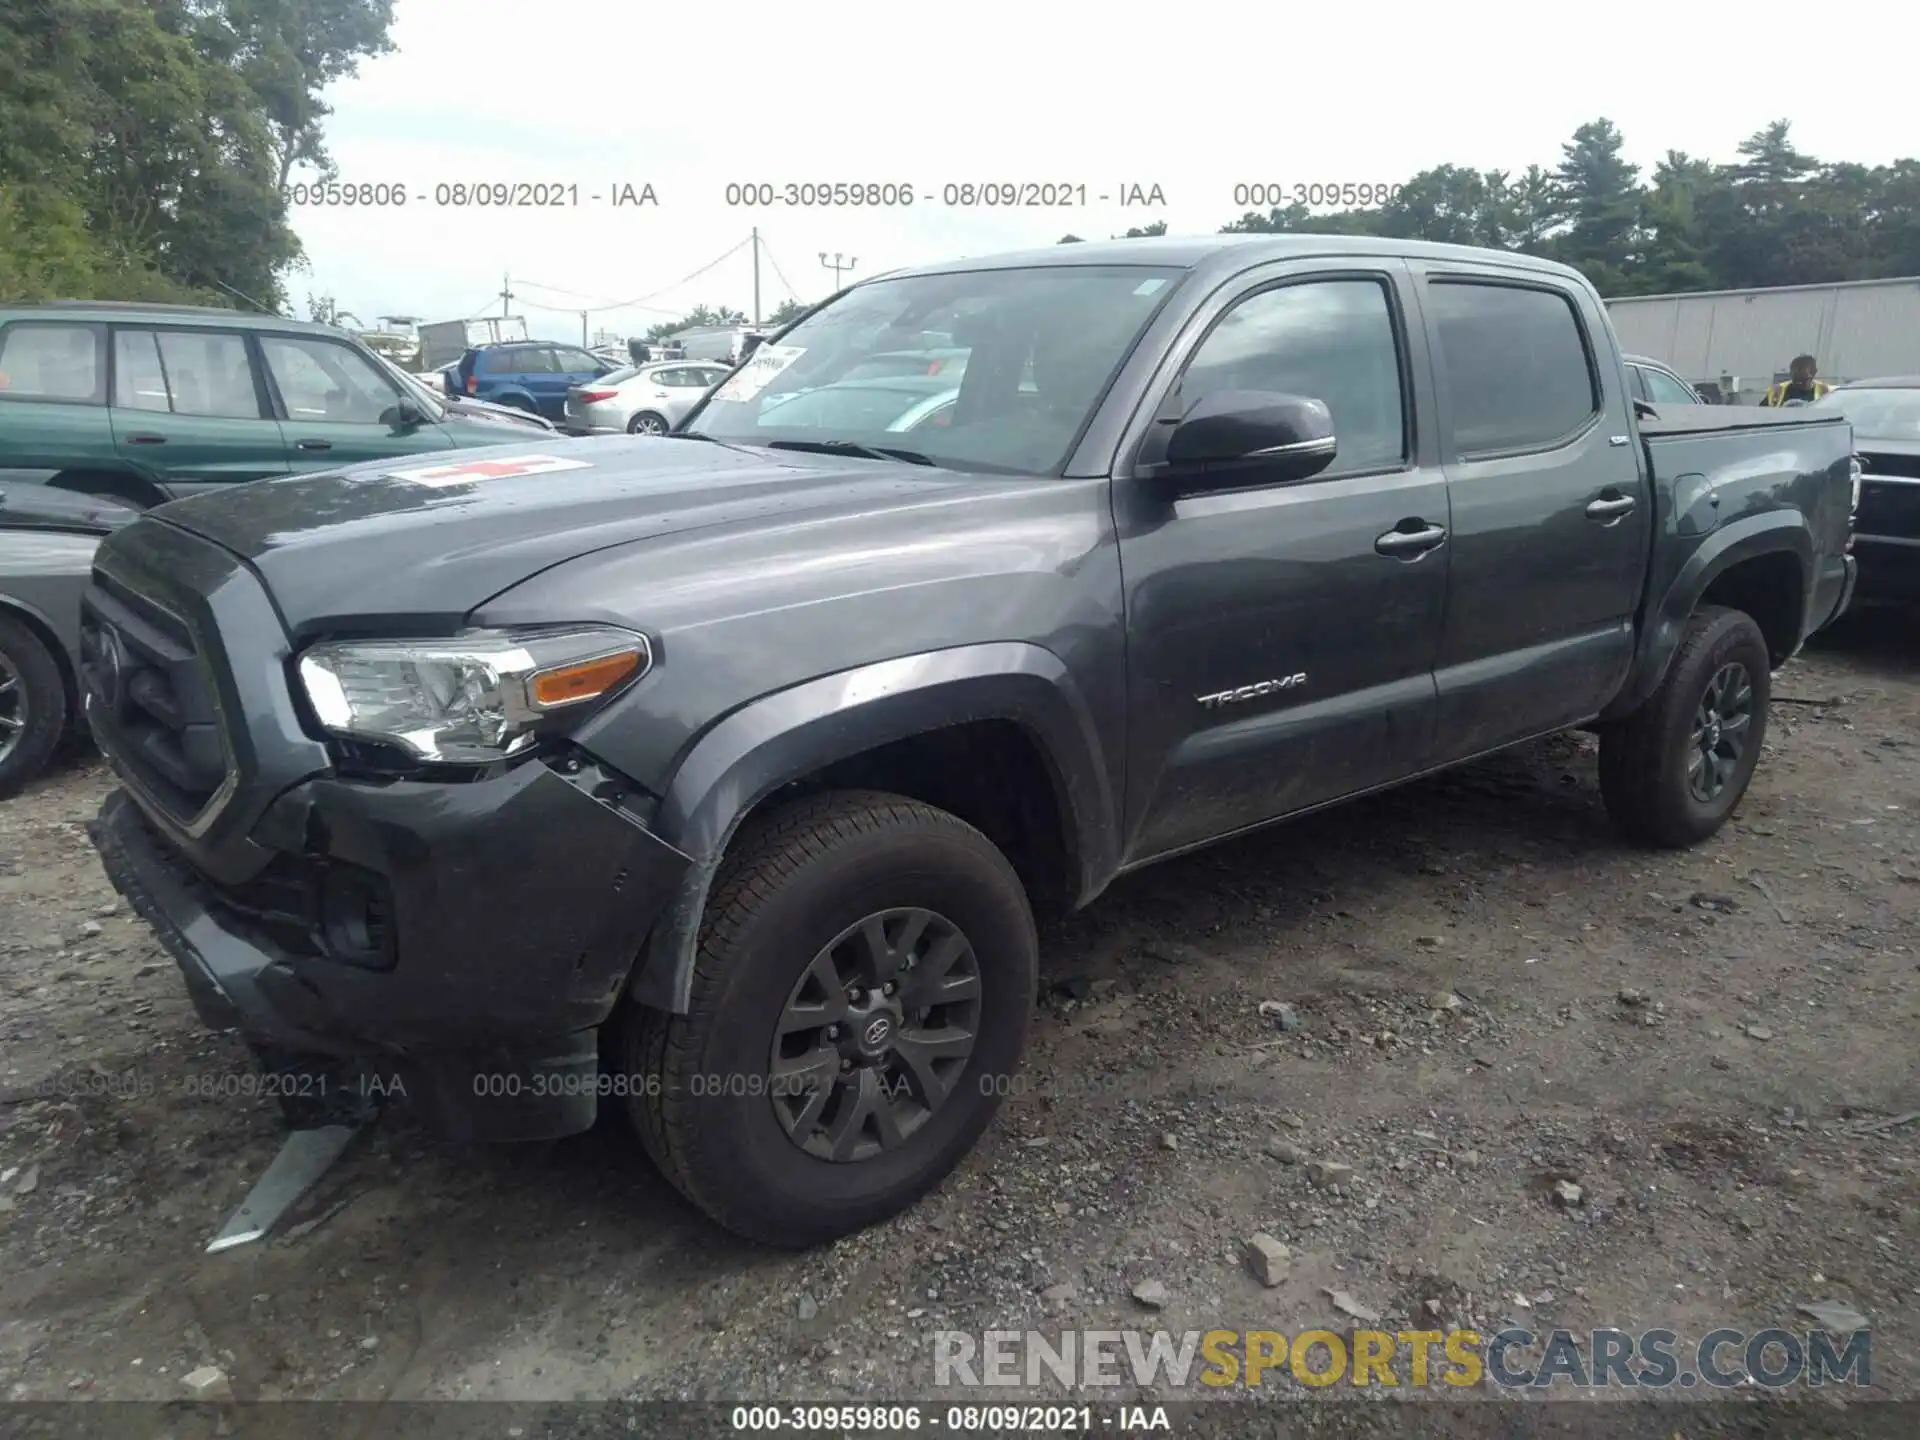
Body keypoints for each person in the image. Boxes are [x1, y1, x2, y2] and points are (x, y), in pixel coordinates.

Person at [1761, 355, 1832, 407]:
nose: (1797, 382)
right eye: (1794, 377)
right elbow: (1761, 414)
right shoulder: (1776, 391)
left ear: (1813, 374)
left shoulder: (1825, 393)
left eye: (1802, 379)